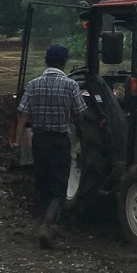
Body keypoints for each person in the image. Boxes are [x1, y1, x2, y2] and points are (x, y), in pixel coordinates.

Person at [13, 43, 86, 248]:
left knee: (43, 183)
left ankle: (46, 224)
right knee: (59, 187)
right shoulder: (71, 86)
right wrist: (82, 135)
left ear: (46, 61)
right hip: (60, 141)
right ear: (64, 62)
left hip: (40, 140)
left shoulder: (33, 85)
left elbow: (22, 116)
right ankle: (47, 226)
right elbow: (79, 115)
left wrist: (17, 143)